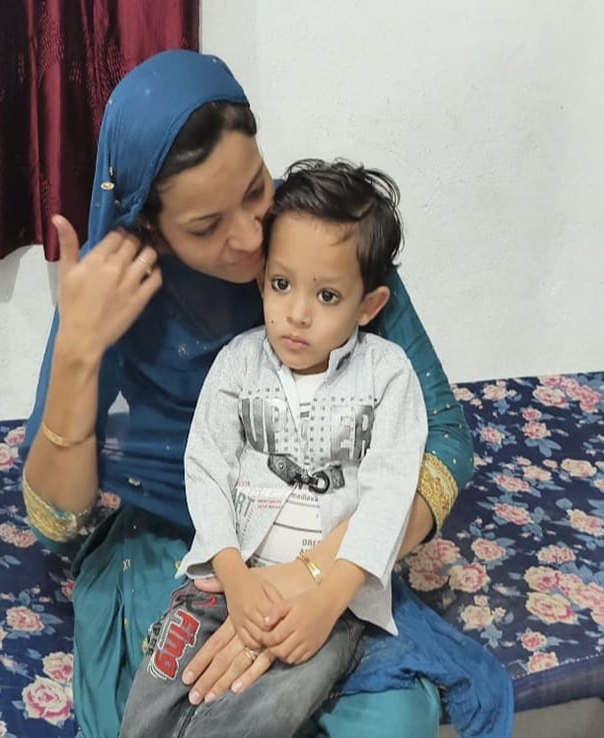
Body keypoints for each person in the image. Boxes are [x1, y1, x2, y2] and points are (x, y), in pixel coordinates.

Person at [20, 50, 511, 738]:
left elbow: (445, 441)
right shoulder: (117, 289)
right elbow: (55, 522)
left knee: (394, 721)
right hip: (183, 547)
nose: (252, 236)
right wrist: (78, 355)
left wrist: (318, 576)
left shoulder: (322, 240)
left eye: (255, 189)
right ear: (151, 226)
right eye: (205, 227)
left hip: (334, 535)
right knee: (191, 707)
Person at [118, 159, 429, 738]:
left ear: (368, 306)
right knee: (163, 675)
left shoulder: (388, 376)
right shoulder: (239, 363)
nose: (298, 314)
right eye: (282, 284)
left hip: (328, 600)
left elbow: (390, 495)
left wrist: (330, 600)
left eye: (327, 295)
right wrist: (234, 579)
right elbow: (206, 468)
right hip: (228, 576)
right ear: (262, 281)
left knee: (269, 704)